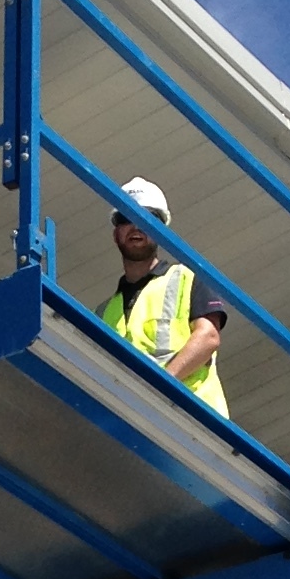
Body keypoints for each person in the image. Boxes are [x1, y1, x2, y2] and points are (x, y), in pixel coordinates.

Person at [100, 177, 229, 415]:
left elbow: (208, 336)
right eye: (126, 218)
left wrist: (161, 385)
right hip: (136, 420)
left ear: (161, 231)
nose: (136, 226)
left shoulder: (188, 277)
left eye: (148, 218)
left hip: (194, 418)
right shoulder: (104, 312)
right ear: (115, 233)